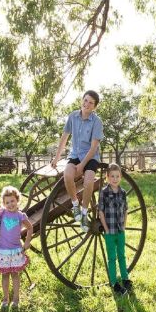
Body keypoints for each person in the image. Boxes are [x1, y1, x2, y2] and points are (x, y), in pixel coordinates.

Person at [51, 90, 104, 232]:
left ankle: (85, 213)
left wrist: (82, 165)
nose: (87, 104)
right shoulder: (73, 116)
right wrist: (57, 157)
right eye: (85, 100)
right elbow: (64, 138)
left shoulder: (97, 122)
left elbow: (93, 148)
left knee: (88, 182)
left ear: (94, 107)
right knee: (67, 176)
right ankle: (75, 205)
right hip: (75, 154)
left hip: (90, 156)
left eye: (91, 103)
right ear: (82, 100)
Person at [98, 163, 132, 295]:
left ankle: (125, 278)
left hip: (120, 230)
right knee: (112, 257)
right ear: (107, 177)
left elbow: (125, 210)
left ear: (121, 177)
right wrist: (106, 229)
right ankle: (114, 282)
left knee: (122, 255)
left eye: (117, 176)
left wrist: (124, 226)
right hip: (110, 232)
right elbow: (101, 212)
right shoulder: (104, 193)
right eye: (112, 176)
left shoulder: (123, 192)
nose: (115, 179)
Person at [0, 186, 33, 311]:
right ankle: (6, 298)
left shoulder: (20, 216)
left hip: (16, 250)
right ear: (3, 204)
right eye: (7, 202)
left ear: (17, 200)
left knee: (15, 275)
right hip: (3, 251)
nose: (10, 204)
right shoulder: (2, 213)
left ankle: (16, 299)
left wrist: (27, 242)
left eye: (12, 201)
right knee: (5, 275)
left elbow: (30, 228)